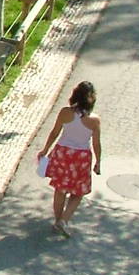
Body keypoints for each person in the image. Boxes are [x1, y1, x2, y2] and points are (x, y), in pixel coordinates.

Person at [38, 80, 102, 237]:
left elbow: (55, 133)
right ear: (91, 98)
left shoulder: (65, 113)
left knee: (60, 189)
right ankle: (64, 220)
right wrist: (98, 161)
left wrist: (45, 150)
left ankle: (58, 220)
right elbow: (96, 144)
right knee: (78, 192)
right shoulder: (94, 120)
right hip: (81, 157)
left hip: (62, 154)